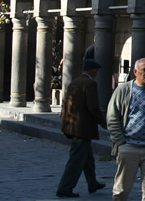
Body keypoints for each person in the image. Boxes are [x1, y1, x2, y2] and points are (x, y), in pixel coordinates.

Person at [107, 58, 145, 201]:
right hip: (128, 146)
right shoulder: (123, 90)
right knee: (122, 188)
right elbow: (112, 117)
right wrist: (120, 143)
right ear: (135, 72)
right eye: (144, 70)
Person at [56, 59, 107, 198]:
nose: (97, 73)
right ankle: (65, 187)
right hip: (82, 128)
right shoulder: (90, 83)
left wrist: (65, 124)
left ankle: (92, 182)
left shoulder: (75, 82)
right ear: (91, 70)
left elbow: (66, 104)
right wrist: (104, 122)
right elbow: (93, 107)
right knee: (76, 160)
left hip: (73, 127)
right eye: (96, 70)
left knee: (87, 157)